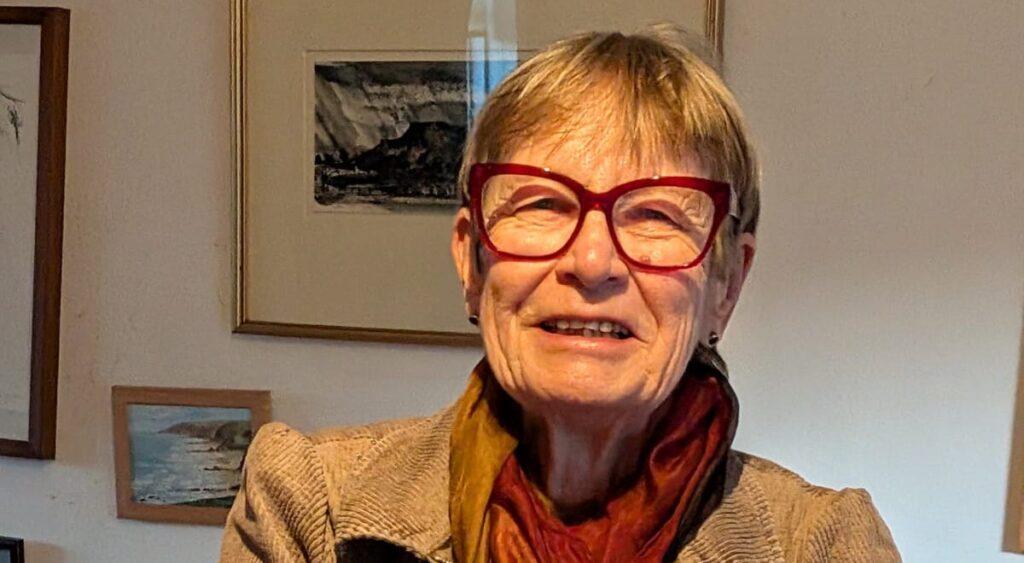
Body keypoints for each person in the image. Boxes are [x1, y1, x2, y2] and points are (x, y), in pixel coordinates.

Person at [220, 27, 901, 563]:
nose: (592, 261)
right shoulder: (310, 504)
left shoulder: (822, 543)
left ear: (726, 285)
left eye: (656, 214)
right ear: (471, 260)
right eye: (542, 204)